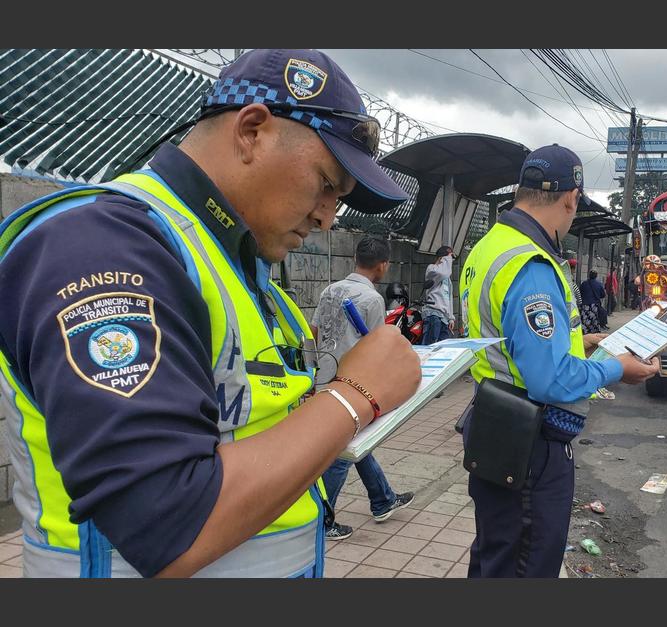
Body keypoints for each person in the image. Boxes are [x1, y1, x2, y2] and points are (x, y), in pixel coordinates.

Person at [0, 49, 422, 578]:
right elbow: (168, 522)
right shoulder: (102, 246)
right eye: (327, 184)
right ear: (251, 130)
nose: (327, 217)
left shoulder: (235, 264)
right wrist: (354, 395)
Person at [459, 144, 660, 578]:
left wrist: (578, 340)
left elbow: (506, 338)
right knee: (526, 565)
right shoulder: (532, 265)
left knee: (496, 556)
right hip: (529, 445)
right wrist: (616, 368)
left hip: (494, 427)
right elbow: (549, 380)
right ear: (572, 198)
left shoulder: (488, 247)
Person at [310, 236, 414, 540]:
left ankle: (382, 499)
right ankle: (322, 522)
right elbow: (376, 347)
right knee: (340, 455)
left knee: (357, 443)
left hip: (325, 377)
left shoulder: (330, 290)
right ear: (383, 266)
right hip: (353, 386)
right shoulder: (371, 300)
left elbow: (313, 331)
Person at [421, 245, 456, 344]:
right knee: (430, 347)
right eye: (449, 258)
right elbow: (443, 273)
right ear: (442, 258)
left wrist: (451, 318)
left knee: (442, 350)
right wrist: (447, 258)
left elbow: (449, 298)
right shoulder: (432, 269)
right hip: (433, 314)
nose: (450, 261)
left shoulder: (447, 279)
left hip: (444, 318)